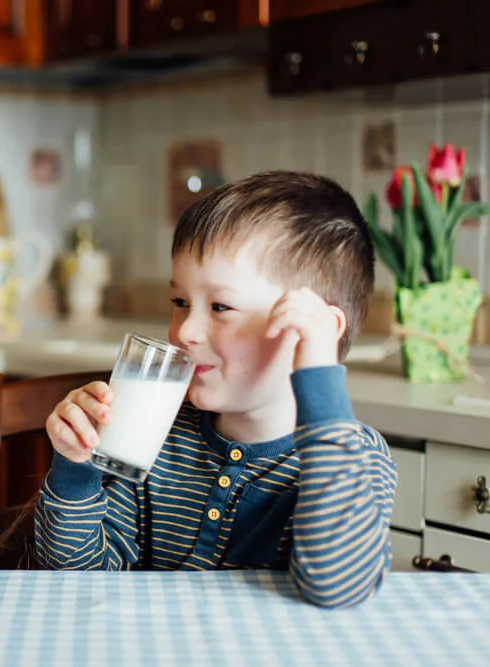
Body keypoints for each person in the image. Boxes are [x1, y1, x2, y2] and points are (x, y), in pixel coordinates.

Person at [34, 171, 398, 608]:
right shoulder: (159, 437)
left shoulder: (351, 455)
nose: (185, 330)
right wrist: (77, 469)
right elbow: (73, 577)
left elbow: (337, 587)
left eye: (221, 306)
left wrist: (319, 373)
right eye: (180, 302)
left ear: (314, 330)